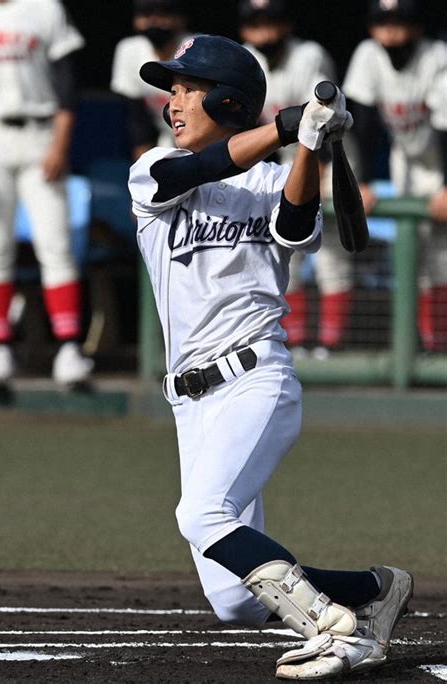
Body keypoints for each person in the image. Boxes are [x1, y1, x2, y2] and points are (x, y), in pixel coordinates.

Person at [127, 34, 413, 679]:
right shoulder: (153, 168)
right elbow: (192, 172)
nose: (172, 101)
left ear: (226, 98)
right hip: (188, 400)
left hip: (253, 379)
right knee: (231, 599)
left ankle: (336, 633)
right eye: (170, 89)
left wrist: (309, 143)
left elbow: (293, 227)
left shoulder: (275, 180)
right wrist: (291, 126)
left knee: (201, 515)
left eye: (185, 88)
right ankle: (372, 589)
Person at [0, 0, 94, 387]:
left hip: (40, 132)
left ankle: (69, 348)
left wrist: (60, 143)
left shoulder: (45, 7)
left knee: (55, 245)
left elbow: (67, 82)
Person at [238, 0, 355, 357]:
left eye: (271, 21)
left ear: (286, 24)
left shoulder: (308, 55)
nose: (264, 31)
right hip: (279, 160)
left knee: (332, 254)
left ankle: (332, 345)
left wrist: (314, 175)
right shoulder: (244, 58)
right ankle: (296, 340)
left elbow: (323, 117)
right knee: (286, 251)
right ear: (244, 28)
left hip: (327, 155)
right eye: (256, 22)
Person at [343, 0, 447, 352]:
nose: (392, 31)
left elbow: (445, 128)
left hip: (438, 155)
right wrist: (367, 180)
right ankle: (430, 344)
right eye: (384, 22)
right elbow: (364, 122)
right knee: (415, 258)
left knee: (443, 257)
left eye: (400, 22)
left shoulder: (437, 56)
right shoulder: (368, 55)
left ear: (417, 26)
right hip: (405, 156)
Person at [110, 0, 190, 160]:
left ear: (180, 19)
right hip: (166, 135)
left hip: (205, 138)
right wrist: (144, 158)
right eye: (147, 14)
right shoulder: (129, 50)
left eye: (163, 14)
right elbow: (135, 114)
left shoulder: (196, 47)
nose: (154, 21)